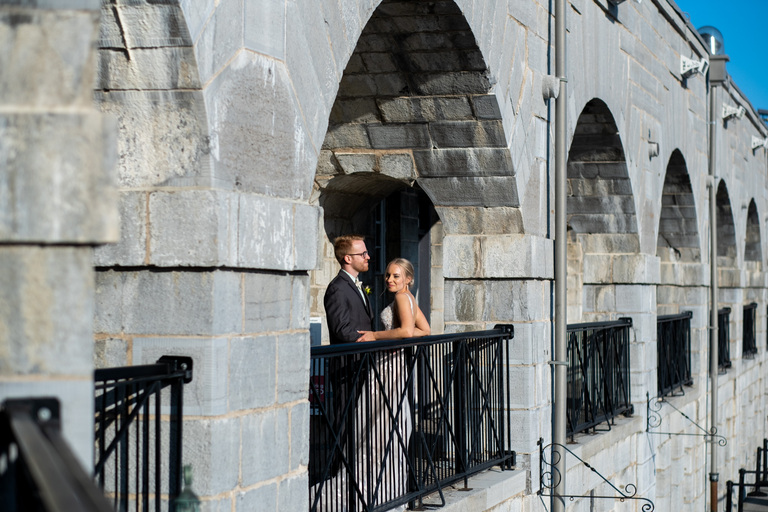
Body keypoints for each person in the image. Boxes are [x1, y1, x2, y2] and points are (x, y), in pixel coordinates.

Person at [356, 257, 430, 341]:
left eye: (396, 276)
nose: (389, 280)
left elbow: (407, 331)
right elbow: (425, 330)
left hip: (393, 352)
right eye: (388, 275)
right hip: (400, 351)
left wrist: (374, 335)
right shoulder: (410, 296)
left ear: (408, 280)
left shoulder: (401, 296)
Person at [324, 235, 374, 344]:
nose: (368, 257)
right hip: (350, 359)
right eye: (363, 254)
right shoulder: (337, 288)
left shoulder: (355, 284)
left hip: (364, 357)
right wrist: (371, 339)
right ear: (348, 258)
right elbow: (342, 329)